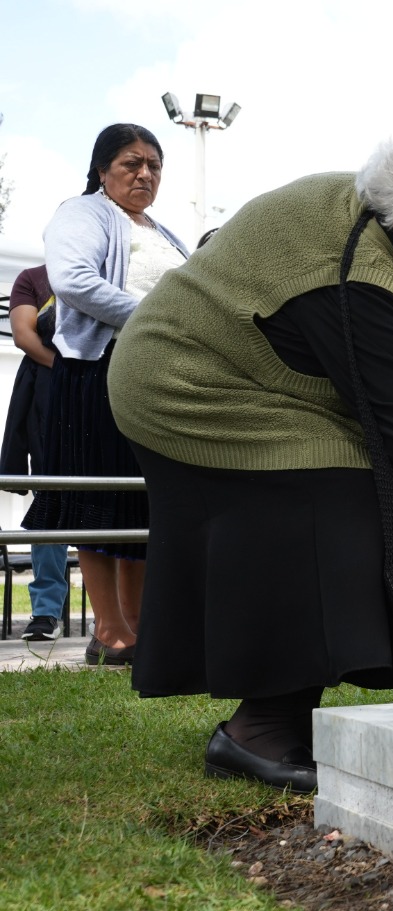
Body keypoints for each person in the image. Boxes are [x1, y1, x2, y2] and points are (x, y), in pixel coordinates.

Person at [109, 114, 393, 791]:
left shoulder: (389, 232)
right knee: (332, 495)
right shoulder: (358, 279)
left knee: (356, 488)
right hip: (186, 378)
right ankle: (261, 731)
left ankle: (284, 715)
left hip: (270, 375)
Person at [26, 124, 189, 666]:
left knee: (139, 500)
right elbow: (72, 280)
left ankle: (139, 627)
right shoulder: (82, 213)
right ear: (101, 170)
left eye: (154, 166)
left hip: (154, 378)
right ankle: (111, 632)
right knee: (96, 502)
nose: (145, 174)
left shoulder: (164, 231)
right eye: (131, 163)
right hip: (98, 372)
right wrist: (161, 319)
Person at [3, 266, 70, 640]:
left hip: (112, 391)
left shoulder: (119, 271)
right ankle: (46, 611)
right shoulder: (34, 278)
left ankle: (124, 617)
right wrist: (73, 373)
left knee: (117, 501)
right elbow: (24, 334)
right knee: (51, 499)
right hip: (50, 393)